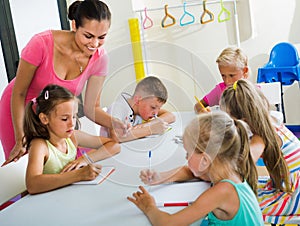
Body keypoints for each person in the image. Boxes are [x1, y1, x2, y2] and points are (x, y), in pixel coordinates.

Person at [0, 0, 126, 166]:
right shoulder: (41, 43)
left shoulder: (100, 59)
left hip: (52, 116)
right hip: (17, 109)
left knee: (60, 167)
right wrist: (20, 137)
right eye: (88, 36)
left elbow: (91, 108)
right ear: (74, 25)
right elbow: (19, 93)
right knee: (24, 169)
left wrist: (115, 123)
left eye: (101, 37)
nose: (94, 44)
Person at [128, 112, 264, 225]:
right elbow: (191, 172)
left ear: (205, 160)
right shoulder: (229, 171)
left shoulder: (222, 191)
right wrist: (161, 177)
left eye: (188, 153)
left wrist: (149, 207)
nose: (186, 158)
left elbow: (168, 223)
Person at [220, 79, 300, 224]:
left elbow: (243, 161)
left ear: (243, 120)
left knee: (236, 207)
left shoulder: (260, 138)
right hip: (284, 185)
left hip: (293, 196)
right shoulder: (270, 120)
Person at [24, 84, 120, 194]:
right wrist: (77, 175)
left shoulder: (73, 136)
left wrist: (84, 159)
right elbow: (32, 185)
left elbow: (114, 145)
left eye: (74, 116)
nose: (72, 124)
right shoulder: (40, 146)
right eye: (64, 119)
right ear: (45, 118)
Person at [100, 76, 176, 142]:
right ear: (138, 100)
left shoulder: (140, 110)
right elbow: (117, 136)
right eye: (153, 107)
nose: (156, 113)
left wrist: (148, 124)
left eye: (159, 109)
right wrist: (150, 129)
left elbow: (171, 116)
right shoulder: (118, 107)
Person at [194, 47, 249, 113]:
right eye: (223, 75)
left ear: (244, 71)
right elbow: (198, 105)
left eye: (231, 75)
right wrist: (202, 111)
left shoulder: (253, 91)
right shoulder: (220, 90)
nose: (227, 81)